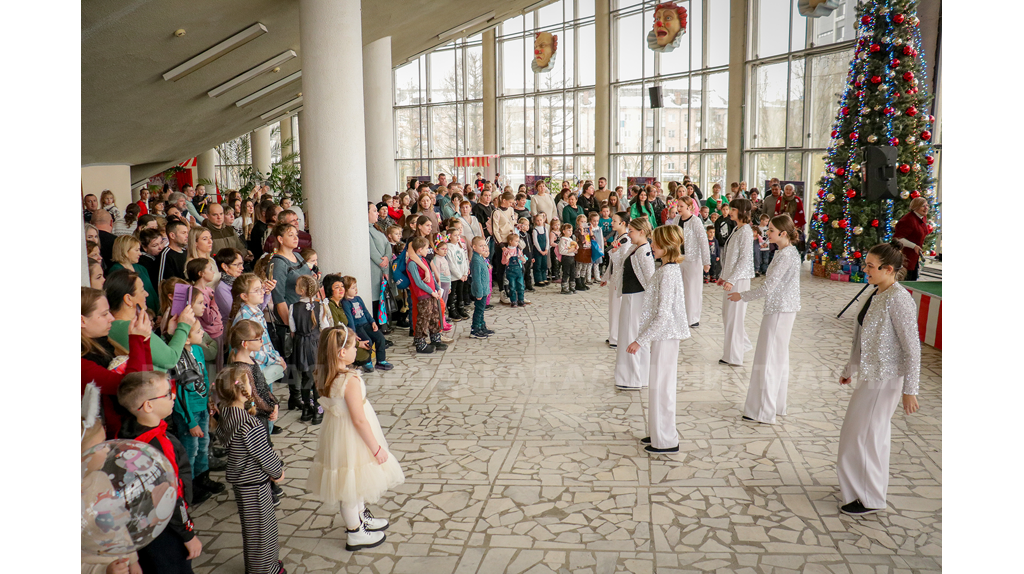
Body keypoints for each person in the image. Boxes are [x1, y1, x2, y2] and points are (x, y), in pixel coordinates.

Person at [837, 241, 921, 516]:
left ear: (888, 269)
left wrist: (911, 390)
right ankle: (861, 487)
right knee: (859, 433)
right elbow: (863, 338)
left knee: (868, 436)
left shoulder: (899, 299)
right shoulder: (876, 293)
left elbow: (912, 348)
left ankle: (871, 497)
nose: (865, 269)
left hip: (886, 380)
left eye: (870, 266)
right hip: (872, 376)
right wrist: (851, 368)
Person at [306, 326, 405, 551]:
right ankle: (355, 532)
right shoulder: (349, 380)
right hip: (352, 436)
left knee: (354, 480)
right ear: (342, 353)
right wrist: (376, 448)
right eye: (352, 346)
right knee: (349, 486)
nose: (356, 349)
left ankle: (361, 517)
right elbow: (359, 420)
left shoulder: (325, 373)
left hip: (338, 433)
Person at [116, 371, 203, 572]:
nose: (173, 396)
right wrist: (188, 533)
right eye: (168, 393)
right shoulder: (157, 446)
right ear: (148, 405)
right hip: (165, 530)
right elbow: (170, 495)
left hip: (143, 525)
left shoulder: (127, 433)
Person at [728, 215, 802, 425]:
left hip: (780, 310)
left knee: (768, 357)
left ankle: (763, 410)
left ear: (783, 233)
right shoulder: (785, 252)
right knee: (777, 356)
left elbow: (768, 287)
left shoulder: (786, 255)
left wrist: (742, 296)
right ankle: (775, 404)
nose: (766, 233)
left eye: (770, 230)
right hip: (781, 309)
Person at [213, 366, 286, 574]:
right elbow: (263, 454)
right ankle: (264, 569)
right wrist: (277, 472)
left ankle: (261, 564)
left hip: (241, 481)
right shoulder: (249, 424)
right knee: (263, 530)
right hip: (254, 483)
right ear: (242, 390)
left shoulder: (226, 413)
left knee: (252, 529)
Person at [626, 225, 690, 454]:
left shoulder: (670, 272)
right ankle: (657, 432)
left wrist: (639, 340)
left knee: (663, 387)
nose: (651, 246)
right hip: (663, 335)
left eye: (656, 243)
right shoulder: (665, 270)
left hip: (666, 335)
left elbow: (664, 314)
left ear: (667, 246)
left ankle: (666, 440)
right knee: (657, 384)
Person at [81, 287, 153, 439]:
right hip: (105, 442)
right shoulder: (82, 364)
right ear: (82, 320)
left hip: (124, 432)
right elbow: (134, 389)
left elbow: (147, 379)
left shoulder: (105, 346)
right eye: (104, 314)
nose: (111, 318)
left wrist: (144, 342)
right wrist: (137, 340)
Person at [169, 319, 225, 506]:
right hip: (188, 413)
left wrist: (210, 401)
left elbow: (205, 377)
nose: (203, 333)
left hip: (201, 407)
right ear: (185, 339)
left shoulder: (199, 350)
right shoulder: (176, 358)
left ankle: (203, 478)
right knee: (190, 450)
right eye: (199, 330)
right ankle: (189, 488)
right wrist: (190, 421)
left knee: (203, 445)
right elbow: (179, 395)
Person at [106, 268, 194, 372]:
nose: (146, 294)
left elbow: (155, 355)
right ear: (128, 299)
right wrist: (184, 326)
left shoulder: (111, 326)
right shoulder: (132, 328)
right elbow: (170, 359)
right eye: (142, 290)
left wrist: (168, 335)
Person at [614, 218, 656, 390]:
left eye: (631, 230)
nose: (628, 233)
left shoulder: (644, 252)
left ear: (641, 232)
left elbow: (650, 279)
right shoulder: (634, 248)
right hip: (630, 296)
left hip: (636, 299)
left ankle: (631, 378)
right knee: (630, 334)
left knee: (630, 336)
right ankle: (639, 376)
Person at [228, 320, 283, 452]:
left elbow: (263, 386)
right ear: (245, 343)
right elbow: (254, 396)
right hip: (254, 417)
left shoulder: (251, 360)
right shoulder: (241, 367)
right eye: (258, 339)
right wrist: (269, 409)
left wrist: (274, 403)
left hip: (262, 414)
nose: (261, 342)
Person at [287, 275, 331, 424]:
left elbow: (292, 329)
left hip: (300, 344)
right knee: (317, 378)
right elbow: (325, 328)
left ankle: (306, 408)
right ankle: (318, 410)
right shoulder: (321, 306)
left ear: (302, 290)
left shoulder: (293, 307)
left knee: (306, 377)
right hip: (315, 344)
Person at [719, 198, 755, 367]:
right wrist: (723, 275)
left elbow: (744, 260)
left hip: (739, 280)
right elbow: (730, 257)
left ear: (741, 211)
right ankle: (737, 348)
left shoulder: (746, 232)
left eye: (733, 208)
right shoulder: (737, 229)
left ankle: (735, 356)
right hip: (733, 277)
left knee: (734, 317)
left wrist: (731, 280)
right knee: (728, 316)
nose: (730, 211)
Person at [339, 276, 393, 372]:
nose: (356, 289)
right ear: (346, 290)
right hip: (357, 327)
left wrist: (373, 322)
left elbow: (366, 312)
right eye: (352, 288)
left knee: (380, 337)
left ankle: (381, 360)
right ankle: (367, 361)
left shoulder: (358, 299)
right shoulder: (345, 303)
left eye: (356, 286)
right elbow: (350, 320)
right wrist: (353, 334)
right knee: (368, 341)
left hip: (366, 324)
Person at [407, 236, 447, 353]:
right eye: (426, 249)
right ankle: (420, 342)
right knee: (423, 318)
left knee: (434, 316)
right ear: (419, 249)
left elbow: (431, 276)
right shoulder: (412, 263)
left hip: (432, 293)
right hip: (423, 295)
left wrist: (438, 287)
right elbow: (418, 282)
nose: (428, 251)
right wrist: (431, 292)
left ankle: (435, 338)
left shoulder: (423, 260)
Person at [677, 198, 711, 327]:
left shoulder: (695, 221)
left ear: (689, 207)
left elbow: (703, 242)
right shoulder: (676, 220)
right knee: (680, 288)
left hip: (693, 259)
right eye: (678, 206)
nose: (679, 208)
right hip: (679, 258)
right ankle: (681, 316)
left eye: (682, 206)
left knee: (693, 288)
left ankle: (693, 318)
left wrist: (706, 262)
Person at [600, 212, 632, 348]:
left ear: (622, 223)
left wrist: (613, 252)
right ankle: (613, 335)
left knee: (617, 308)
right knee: (613, 307)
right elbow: (612, 264)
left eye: (614, 221)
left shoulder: (626, 240)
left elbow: (623, 262)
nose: (611, 223)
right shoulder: (618, 236)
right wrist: (606, 276)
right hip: (614, 277)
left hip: (620, 279)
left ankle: (616, 338)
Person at [109, 235, 159, 312]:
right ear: (125, 251)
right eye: (136, 250)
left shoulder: (141, 268)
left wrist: (158, 312)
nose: (140, 254)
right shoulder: (116, 271)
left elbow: (152, 292)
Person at [893, 197, 931, 281]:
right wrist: (914, 246)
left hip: (914, 257)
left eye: (926, 205)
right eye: (923, 206)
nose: (926, 208)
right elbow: (897, 238)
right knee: (906, 282)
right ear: (915, 207)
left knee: (913, 281)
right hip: (905, 258)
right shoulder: (908, 220)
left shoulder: (922, 217)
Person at [368, 202, 392, 327]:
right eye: (374, 211)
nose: (377, 213)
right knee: (374, 301)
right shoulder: (366, 230)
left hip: (382, 268)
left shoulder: (376, 228)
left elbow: (388, 245)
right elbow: (372, 252)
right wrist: (383, 264)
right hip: (375, 270)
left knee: (380, 301)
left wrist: (387, 257)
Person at [445, 222, 471, 320]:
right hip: (453, 276)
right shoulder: (448, 248)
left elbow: (464, 260)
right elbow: (451, 264)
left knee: (460, 292)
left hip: (461, 275)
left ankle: (460, 308)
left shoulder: (459, 246)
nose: (457, 237)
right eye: (455, 235)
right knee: (453, 293)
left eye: (458, 235)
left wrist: (465, 273)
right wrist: (459, 275)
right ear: (449, 237)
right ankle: (452, 310)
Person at [469, 237, 493, 338]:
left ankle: (482, 326)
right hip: (480, 290)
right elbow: (477, 278)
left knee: (482, 310)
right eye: (481, 246)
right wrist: (479, 292)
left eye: (484, 245)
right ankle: (475, 329)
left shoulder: (481, 257)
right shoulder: (476, 260)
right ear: (474, 247)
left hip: (484, 289)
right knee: (479, 310)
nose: (483, 248)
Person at [158, 219, 190, 284]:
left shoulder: (186, 252)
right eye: (183, 233)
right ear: (172, 235)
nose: (187, 236)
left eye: (187, 233)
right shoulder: (166, 255)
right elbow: (162, 283)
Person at [502, 233, 527, 308]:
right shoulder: (506, 251)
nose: (517, 243)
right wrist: (507, 258)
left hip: (518, 270)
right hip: (510, 271)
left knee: (521, 285)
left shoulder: (518, 250)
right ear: (510, 241)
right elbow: (503, 262)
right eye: (516, 241)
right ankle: (513, 301)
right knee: (512, 287)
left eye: (518, 241)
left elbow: (523, 259)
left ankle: (521, 300)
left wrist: (523, 260)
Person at [557, 223, 579, 295]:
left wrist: (575, 249)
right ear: (563, 231)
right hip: (566, 258)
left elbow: (574, 249)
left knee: (573, 272)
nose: (570, 232)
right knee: (566, 273)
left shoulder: (570, 239)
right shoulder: (562, 240)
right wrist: (570, 250)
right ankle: (564, 287)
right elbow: (561, 251)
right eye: (568, 230)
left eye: (571, 230)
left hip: (572, 257)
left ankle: (572, 286)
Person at [531, 213, 549, 286]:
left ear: (543, 220)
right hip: (538, 250)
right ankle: (538, 279)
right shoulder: (535, 230)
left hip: (544, 249)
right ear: (535, 221)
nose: (539, 222)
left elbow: (547, 240)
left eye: (540, 220)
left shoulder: (545, 229)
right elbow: (535, 242)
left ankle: (544, 277)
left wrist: (547, 249)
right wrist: (540, 251)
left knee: (544, 264)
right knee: (537, 264)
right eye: (537, 220)